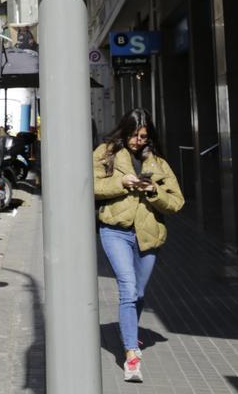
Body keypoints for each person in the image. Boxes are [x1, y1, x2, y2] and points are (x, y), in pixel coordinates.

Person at [93, 108, 184, 383]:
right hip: (115, 230)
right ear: (125, 131)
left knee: (139, 293)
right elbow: (91, 185)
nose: (138, 141)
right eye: (134, 135)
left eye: (143, 136)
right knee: (128, 288)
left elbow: (177, 202)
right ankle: (131, 353)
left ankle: (129, 331)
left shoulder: (157, 163)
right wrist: (122, 182)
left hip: (148, 235)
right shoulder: (106, 152)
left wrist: (153, 192)